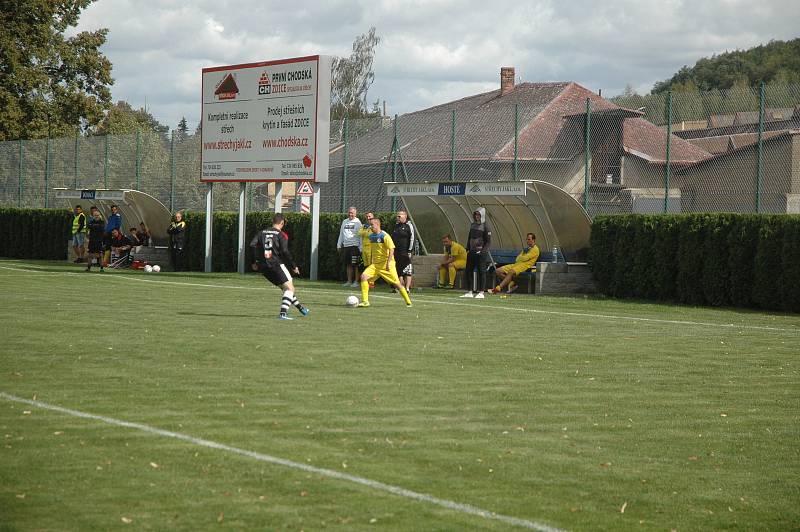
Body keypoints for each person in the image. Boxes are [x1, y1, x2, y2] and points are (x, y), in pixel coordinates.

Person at [250, 213, 310, 320]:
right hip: (276, 264)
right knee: (290, 288)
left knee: (285, 288)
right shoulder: (281, 235)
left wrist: (254, 261)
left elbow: (252, 245)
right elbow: (285, 251)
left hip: (264, 267)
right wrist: (293, 266)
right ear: (282, 223)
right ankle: (283, 313)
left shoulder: (261, 232)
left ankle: (301, 309)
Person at [357, 217, 412, 308]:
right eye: (370, 225)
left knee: (397, 284)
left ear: (378, 225)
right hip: (376, 265)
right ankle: (365, 301)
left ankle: (408, 301)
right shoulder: (371, 236)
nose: (371, 227)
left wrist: (388, 263)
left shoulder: (384, 236)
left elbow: (392, 250)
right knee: (363, 277)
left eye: (372, 225)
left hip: (387, 265)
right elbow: (373, 250)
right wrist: (371, 261)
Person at [460, 207, 492, 299]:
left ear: (482, 215)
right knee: (468, 271)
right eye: (476, 214)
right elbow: (469, 237)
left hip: (481, 253)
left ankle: (481, 292)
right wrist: (468, 248)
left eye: (479, 214)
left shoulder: (486, 226)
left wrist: (483, 251)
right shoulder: (472, 225)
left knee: (481, 272)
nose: (477, 216)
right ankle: (469, 291)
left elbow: (488, 241)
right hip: (472, 252)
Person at [336, 206, 362, 287]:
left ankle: (356, 282)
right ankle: (349, 281)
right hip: (346, 246)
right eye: (349, 212)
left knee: (356, 265)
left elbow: (361, 236)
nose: (350, 214)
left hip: (355, 246)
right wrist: (339, 244)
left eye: (352, 213)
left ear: (355, 213)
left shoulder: (358, 223)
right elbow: (341, 233)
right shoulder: (345, 221)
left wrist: (361, 247)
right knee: (348, 264)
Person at [391, 210, 415, 291]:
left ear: (405, 216)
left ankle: (407, 288)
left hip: (405, 252)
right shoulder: (395, 226)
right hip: (396, 252)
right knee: (398, 270)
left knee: (408, 269)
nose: (397, 218)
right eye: (397, 216)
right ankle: (400, 287)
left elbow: (412, 238)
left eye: (399, 216)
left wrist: (409, 250)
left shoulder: (409, 225)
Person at [85, 207, 105, 272]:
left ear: (99, 216)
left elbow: (101, 228)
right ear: (93, 216)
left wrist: (94, 226)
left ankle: (101, 268)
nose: (96, 216)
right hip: (92, 240)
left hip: (99, 240)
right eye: (95, 215)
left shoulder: (102, 222)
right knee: (90, 254)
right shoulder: (91, 222)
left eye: (97, 215)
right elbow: (89, 226)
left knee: (100, 254)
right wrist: (96, 226)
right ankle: (88, 267)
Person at [360, 211, 376, 288]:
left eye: (370, 216)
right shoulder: (364, 225)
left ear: (373, 217)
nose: (368, 218)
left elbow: (371, 235)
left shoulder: (375, 225)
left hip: (371, 248)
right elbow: (359, 233)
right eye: (367, 217)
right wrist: (366, 231)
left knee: (371, 265)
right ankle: (367, 280)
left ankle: (371, 282)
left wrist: (365, 232)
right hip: (364, 248)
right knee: (366, 265)